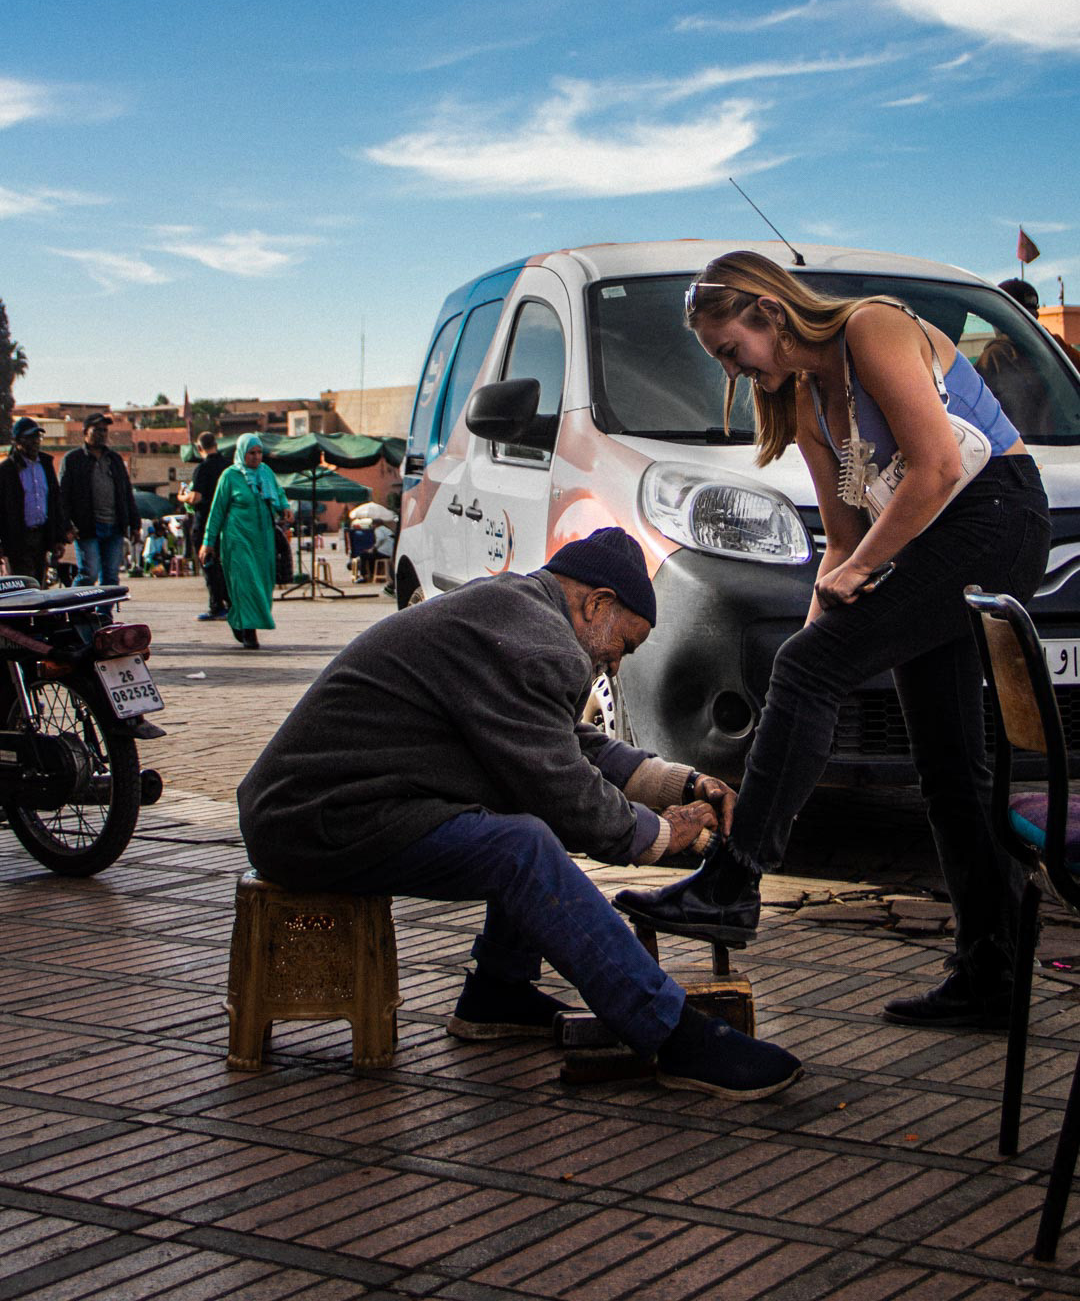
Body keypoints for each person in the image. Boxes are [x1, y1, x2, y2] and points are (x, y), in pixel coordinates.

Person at [616, 252, 1051, 1031]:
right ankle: (992, 969)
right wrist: (813, 648)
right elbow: (843, 542)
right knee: (947, 763)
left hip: (996, 517)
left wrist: (818, 650)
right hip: (932, 538)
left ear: (769, 312)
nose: (731, 370)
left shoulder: (871, 328)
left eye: (730, 350)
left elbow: (937, 467)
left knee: (821, 675)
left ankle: (733, 884)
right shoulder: (806, 401)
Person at [238, 526, 800, 1099]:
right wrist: (660, 835)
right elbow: (563, 788)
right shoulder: (537, 642)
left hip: (323, 807)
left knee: (524, 813)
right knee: (522, 846)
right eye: (624, 646)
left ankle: (498, 992)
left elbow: (563, 743)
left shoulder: (519, 612)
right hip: (309, 822)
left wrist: (680, 785)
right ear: (597, 603)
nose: (613, 668)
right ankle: (672, 1035)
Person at [199, 434, 289, 651]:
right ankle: (249, 632)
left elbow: (278, 494)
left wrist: (285, 507)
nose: (256, 457)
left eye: (259, 453)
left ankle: (240, 619)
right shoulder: (230, 476)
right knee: (246, 583)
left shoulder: (266, 473)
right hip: (237, 538)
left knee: (263, 584)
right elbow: (217, 511)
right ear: (241, 453)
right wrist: (208, 542)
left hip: (263, 538)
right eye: (251, 453)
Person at [59, 413, 141, 587]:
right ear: (85, 432)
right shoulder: (73, 460)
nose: (102, 434)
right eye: (97, 430)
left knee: (111, 576)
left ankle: (105, 606)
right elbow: (63, 496)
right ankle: (76, 603)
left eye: (104, 430)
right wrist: (66, 525)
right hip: (87, 527)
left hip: (114, 526)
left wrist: (135, 524)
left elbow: (127, 493)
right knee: (89, 573)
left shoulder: (114, 459)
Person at [0, 418, 65, 585]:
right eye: (29, 438)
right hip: (18, 539)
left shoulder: (45, 465)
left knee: (39, 584)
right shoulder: (7, 470)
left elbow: (55, 501)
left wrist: (58, 537)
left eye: (38, 437)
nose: (35, 442)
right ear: (17, 441)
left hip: (42, 536)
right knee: (25, 585)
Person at [180, 431, 230, 621]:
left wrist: (182, 496)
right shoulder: (228, 466)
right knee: (225, 566)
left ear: (199, 448)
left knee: (209, 565)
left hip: (205, 522)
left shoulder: (202, 468)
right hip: (226, 523)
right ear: (216, 444)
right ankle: (231, 603)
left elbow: (195, 497)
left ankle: (217, 606)